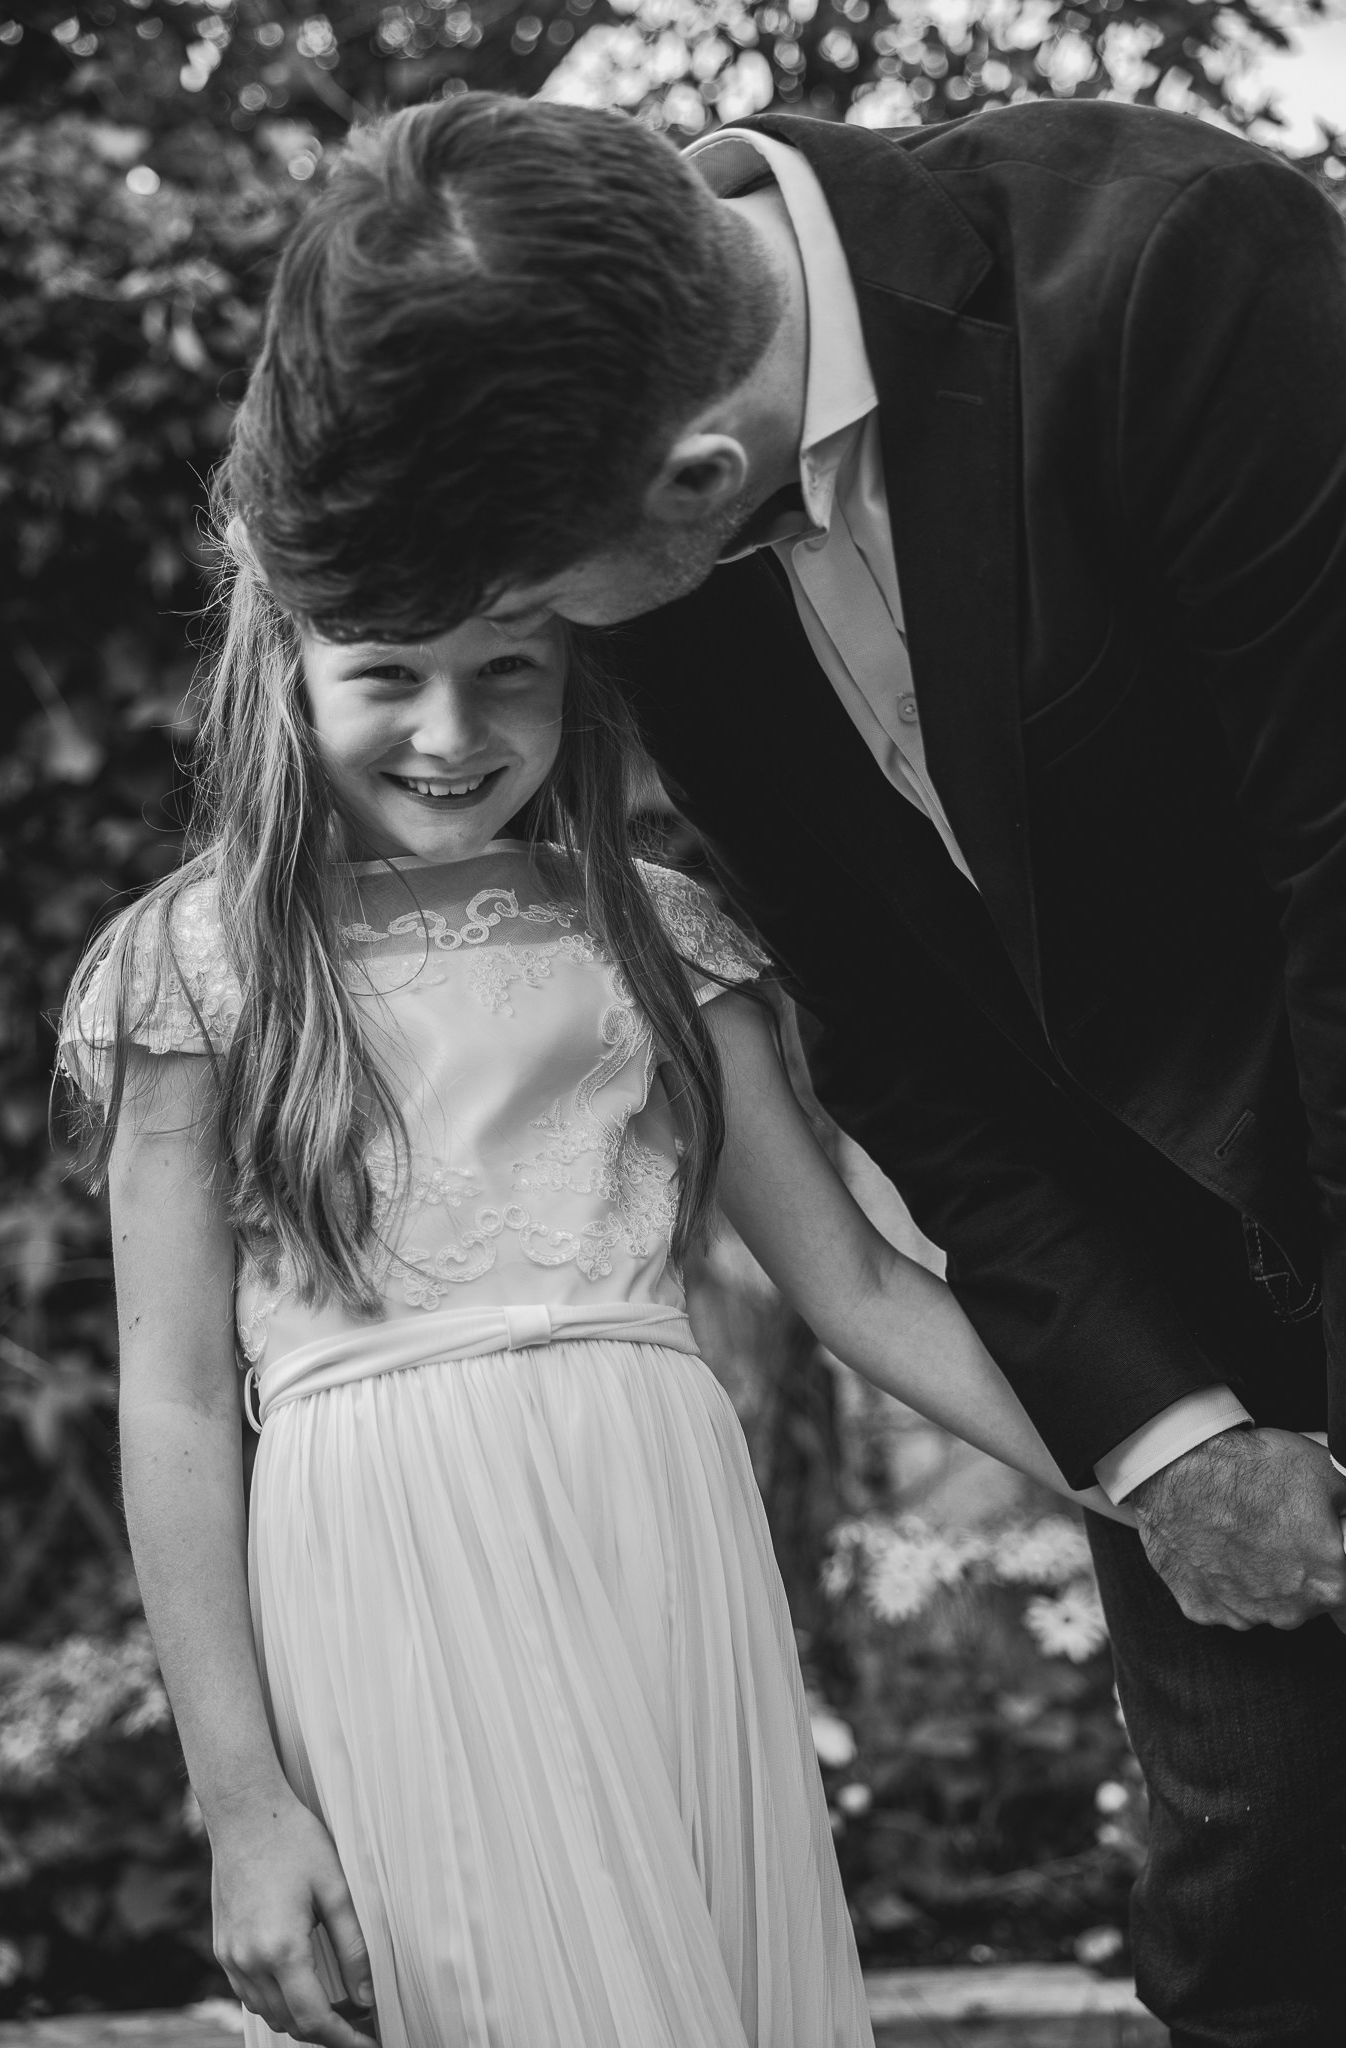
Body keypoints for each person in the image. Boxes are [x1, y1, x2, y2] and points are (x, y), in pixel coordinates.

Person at [222, 92, 1346, 2044]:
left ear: (694, 477)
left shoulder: (1173, 267)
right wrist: (1171, 1439)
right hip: (1181, 1326)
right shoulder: (652, 535)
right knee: (1252, 1933)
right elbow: (901, 1034)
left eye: (527, 625)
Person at [60, 521, 1119, 2048]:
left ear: (575, 671)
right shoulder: (193, 965)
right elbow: (169, 1400)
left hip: (659, 1540)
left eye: (507, 670)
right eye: (387, 676)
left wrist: (1141, 1474)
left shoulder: (658, 933)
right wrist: (240, 1805)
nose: (450, 732)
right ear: (286, 673)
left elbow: (860, 1288)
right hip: (384, 1565)